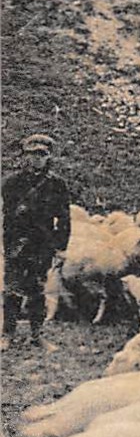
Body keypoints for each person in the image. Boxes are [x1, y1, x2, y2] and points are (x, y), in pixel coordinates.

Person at [2, 134, 73, 348]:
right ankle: (7, 334)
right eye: (33, 154)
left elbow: (64, 218)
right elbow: (7, 216)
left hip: (42, 245)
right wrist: (9, 244)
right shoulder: (12, 183)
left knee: (38, 290)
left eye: (41, 155)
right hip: (17, 243)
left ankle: (37, 335)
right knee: (12, 289)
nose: (37, 159)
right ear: (26, 156)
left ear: (48, 156)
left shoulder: (57, 184)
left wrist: (60, 247)